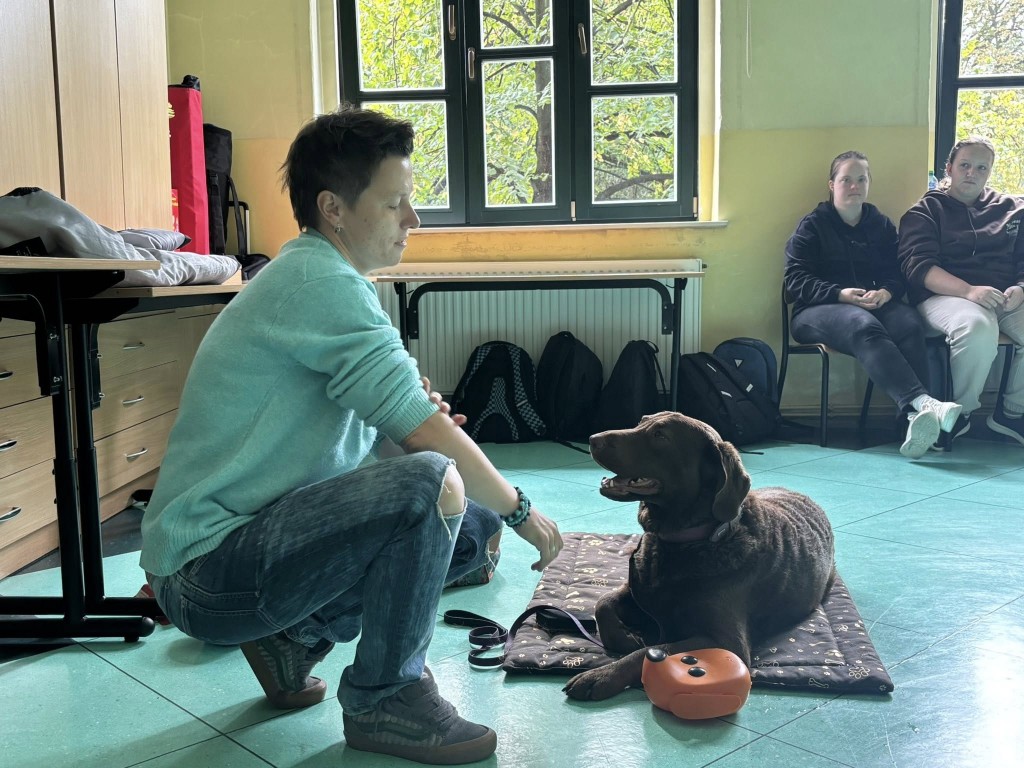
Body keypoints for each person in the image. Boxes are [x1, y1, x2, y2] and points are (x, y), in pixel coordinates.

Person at [139, 105, 564, 765]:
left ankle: (292, 640)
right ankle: (385, 699)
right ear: (333, 208)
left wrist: (412, 434)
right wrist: (524, 511)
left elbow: (381, 444)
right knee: (437, 486)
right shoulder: (320, 284)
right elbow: (423, 444)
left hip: (247, 551)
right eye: (395, 204)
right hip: (206, 571)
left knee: (467, 529)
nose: (412, 219)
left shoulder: (323, 277)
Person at [785, 150, 962, 458]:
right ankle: (925, 404)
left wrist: (887, 292)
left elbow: (898, 271)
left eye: (861, 179)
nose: (854, 186)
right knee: (863, 325)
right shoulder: (813, 226)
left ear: (869, 183)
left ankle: (911, 422)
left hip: (872, 304)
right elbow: (794, 280)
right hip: (814, 312)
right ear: (832, 184)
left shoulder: (879, 224)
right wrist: (840, 294)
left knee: (909, 323)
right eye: (846, 180)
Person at [898, 136, 1024, 447]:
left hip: (1004, 297)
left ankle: (1011, 414)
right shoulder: (925, 211)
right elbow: (919, 268)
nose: (972, 173)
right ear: (950, 168)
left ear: (990, 172)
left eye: (981, 168)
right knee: (977, 326)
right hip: (943, 297)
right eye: (965, 165)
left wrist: (1021, 288)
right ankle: (959, 415)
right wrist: (968, 291)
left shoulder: (1013, 209)